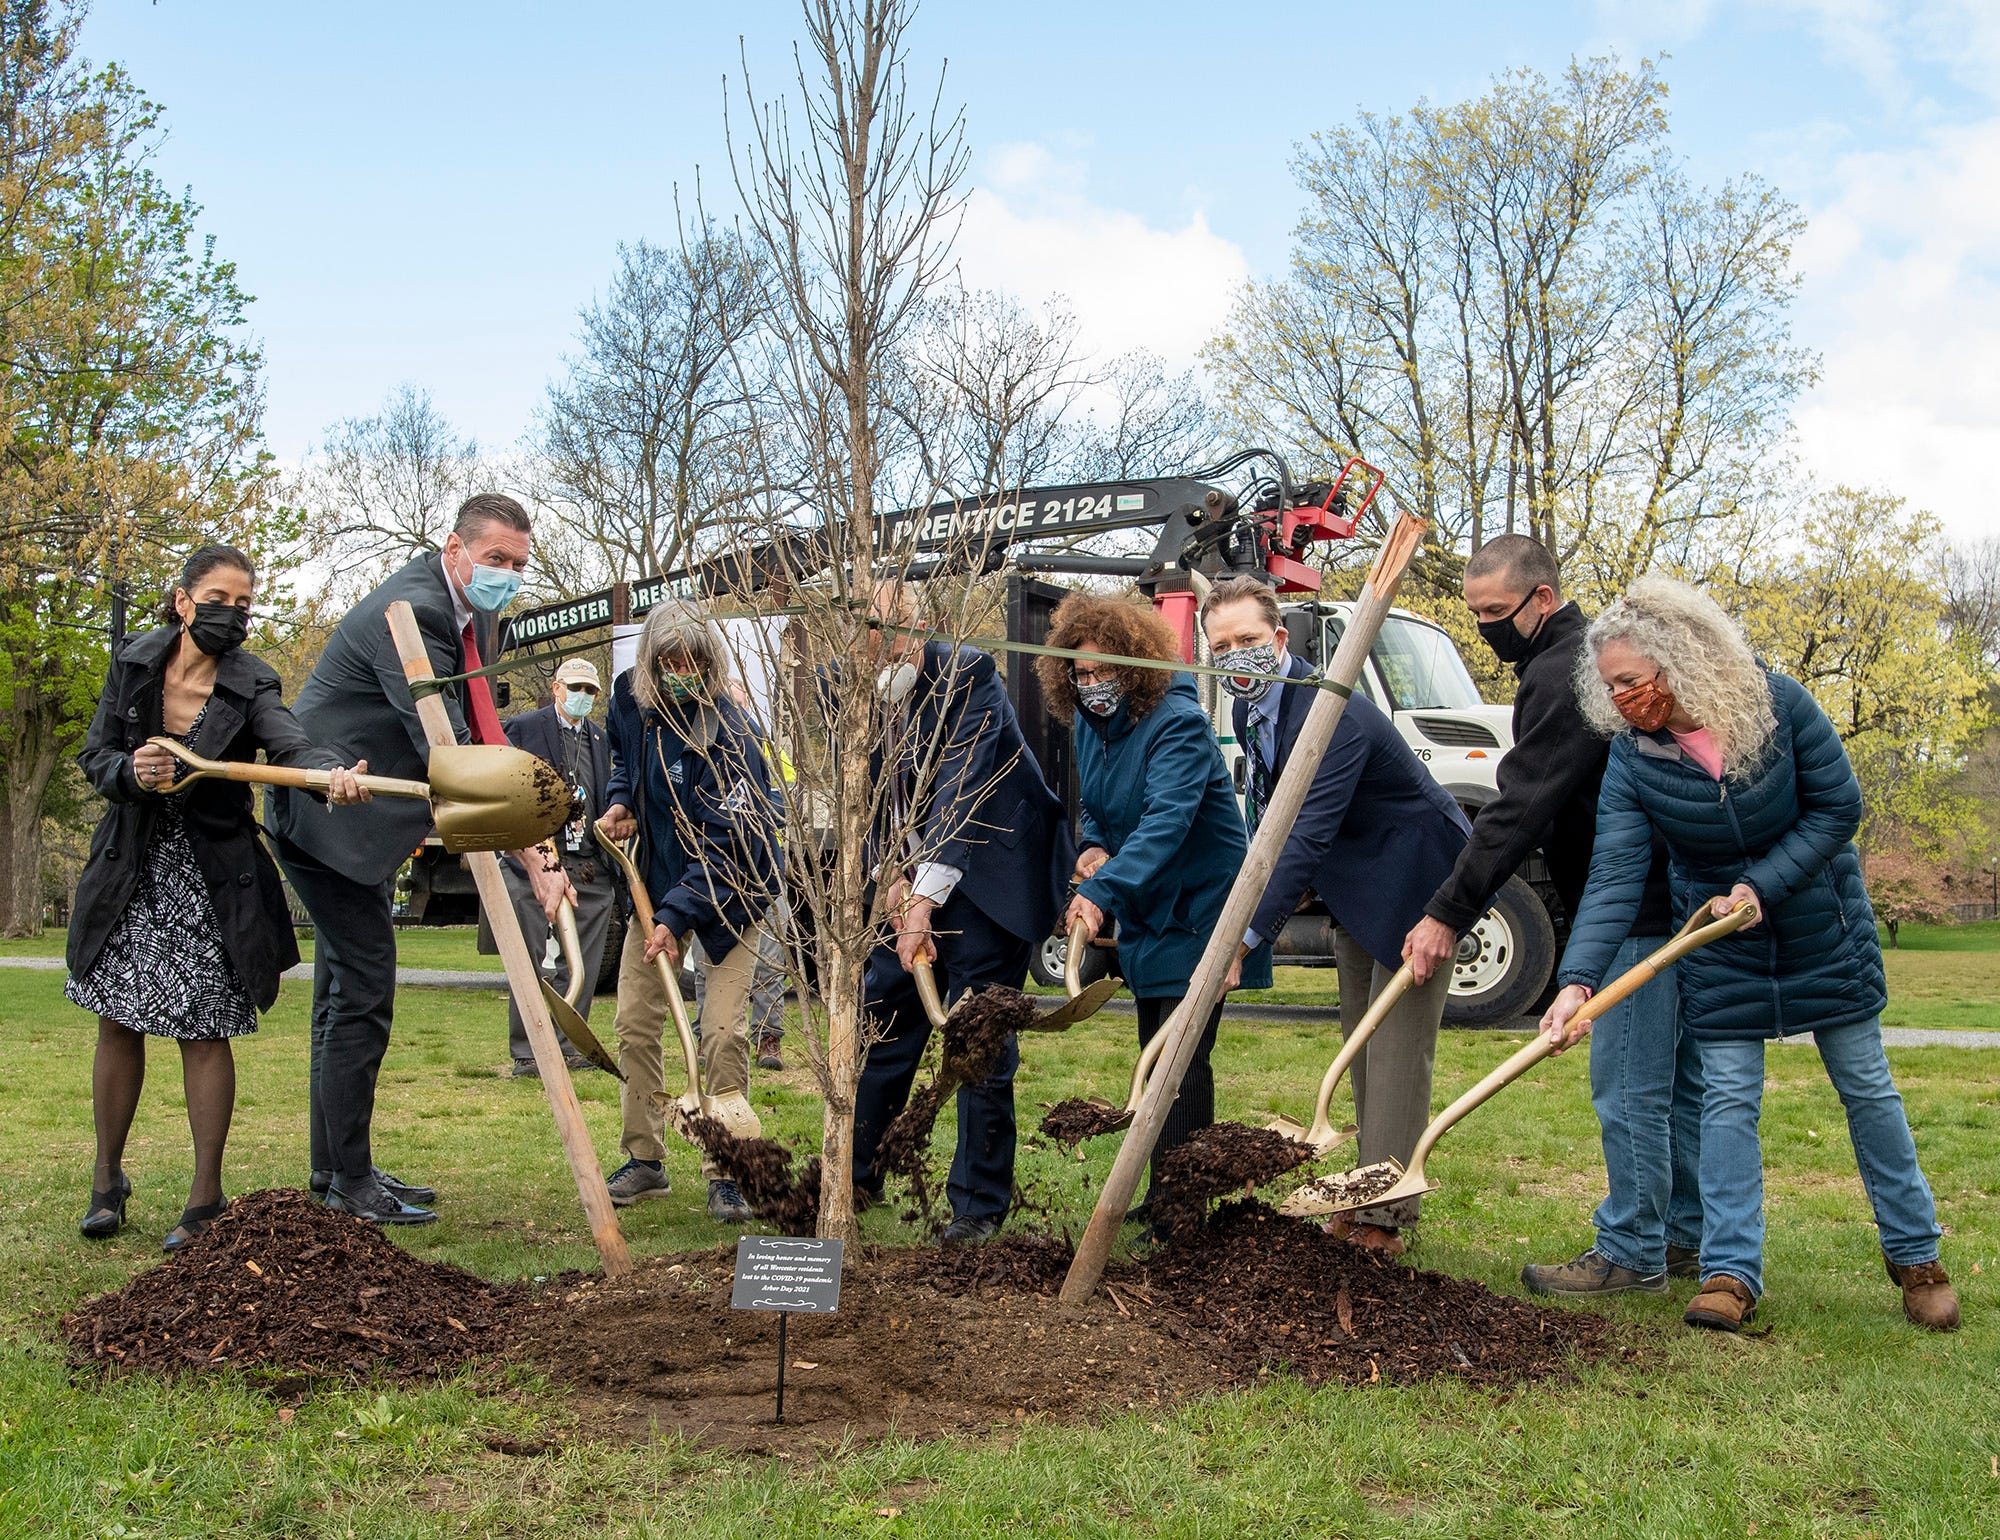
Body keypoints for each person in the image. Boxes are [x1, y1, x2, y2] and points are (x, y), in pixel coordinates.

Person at [1542, 576, 1959, 1334]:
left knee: (1866, 1088)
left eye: (1632, 681)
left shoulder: (1778, 705)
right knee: (1727, 1101)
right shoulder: (1635, 759)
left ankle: (1917, 1254)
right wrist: (1574, 983)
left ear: (1682, 660)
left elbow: (1841, 809)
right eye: (1611, 688)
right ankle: (1730, 1273)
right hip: (1717, 942)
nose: (1623, 699)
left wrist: (1760, 884)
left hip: (1819, 930)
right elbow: (1614, 874)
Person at [1401, 535, 1698, 1297]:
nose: (1485, 627)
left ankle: (1633, 1249)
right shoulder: (1572, 658)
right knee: (1672, 1082)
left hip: (1635, 903)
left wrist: (1449, 910)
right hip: (1667, 895)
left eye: (1496, 611)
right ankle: (1684, 1237)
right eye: (1473, 613)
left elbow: (1521, 803)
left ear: (1542, 598)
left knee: (1629, 1082)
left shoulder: (1567, 671)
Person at [269, 493, 563, 1225]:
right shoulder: (418, 613)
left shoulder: (477, 613)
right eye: (496, 559)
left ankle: (336, 1167)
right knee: (363, 994)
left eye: (520, 564)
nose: (508, 575)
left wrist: (536, 844)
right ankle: (349, 1179)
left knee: (341, 997)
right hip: (326, 819)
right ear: (454, 549)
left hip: (359, 833)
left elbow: (486, 719)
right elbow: (455, 754)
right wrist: (532, 848)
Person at [69, 546, 369, 1249]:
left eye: (244, 603)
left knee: (204, 1029)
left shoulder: (251, 680)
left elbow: (288, 745)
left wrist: (326, 774)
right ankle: (106, 1178)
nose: (231, 613)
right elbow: (96, 757)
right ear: (182, 600)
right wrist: (131, 771)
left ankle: (205, 1198)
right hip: (130, 870)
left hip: (213, 879)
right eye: (218, 598)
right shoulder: (133, 662)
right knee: (118, 1021)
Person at [1204, 575, 1471, 1256]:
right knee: (1359, 1041)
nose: (1237, 656)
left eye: (1250, 641)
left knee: (1396, 1051)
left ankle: (1388, 1216)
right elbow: (1267, 820)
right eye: (1222, 645)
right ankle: (1365, 1189)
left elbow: (1306, 832)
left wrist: (1247, 935)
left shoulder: (1335, 712)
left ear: (1282, 640)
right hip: (1356, 886)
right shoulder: (1250, 712)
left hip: (1419, 878)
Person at [853, 582, 1070, 1245]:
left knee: (977, 1039)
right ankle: (857, 1175)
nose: (887, 649)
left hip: (993, 873)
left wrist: (922, 899)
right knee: (886, 1018)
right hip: (914, 873)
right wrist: (885, 870)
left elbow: (958, 792)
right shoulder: (847, 688)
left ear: (923, 630)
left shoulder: (969, 674)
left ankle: (976, 1208)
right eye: (871, 637)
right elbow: (861, 788)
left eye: (899, 634)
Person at [1037, 591, 1258, 1210]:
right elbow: (1096, 808)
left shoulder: (1177, 723)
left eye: (1105, 669)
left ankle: (1183, 1212)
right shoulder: (1092, 725)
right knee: (1154, 1052)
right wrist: (1091, 849)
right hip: (1149, 907)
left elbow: (1167, 821)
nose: (1093, 683)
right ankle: (1167, 1192)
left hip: (1198, 909)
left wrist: (1101, 891)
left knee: (1180, 1061)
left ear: (1135, 664)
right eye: (1080, 674)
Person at [597, 602, 780, 1223]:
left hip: (734, 891)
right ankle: (645, 1159)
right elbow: (622, 755)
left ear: (710, 662)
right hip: (656, 883)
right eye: (668, 663)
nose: (681, 673)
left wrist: (675, 919)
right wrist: (622, 800)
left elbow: (724, 847)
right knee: (635, 1023)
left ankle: (727, 1169)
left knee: (722, 1032)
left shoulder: (730, 736)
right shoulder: (630, 697)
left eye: (693, 663)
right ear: (648, 665)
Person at [500, 657, 614, 1077]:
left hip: (586, 864)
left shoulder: (600, 740)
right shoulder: (524, 728)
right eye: (576, 688)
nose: (583, 696)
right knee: (527, 952)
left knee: (584, 956)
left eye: (591, 691)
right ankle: (528, 1049)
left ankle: (569, 1044)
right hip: (534, 860)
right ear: (556, 687)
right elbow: (508, 790)